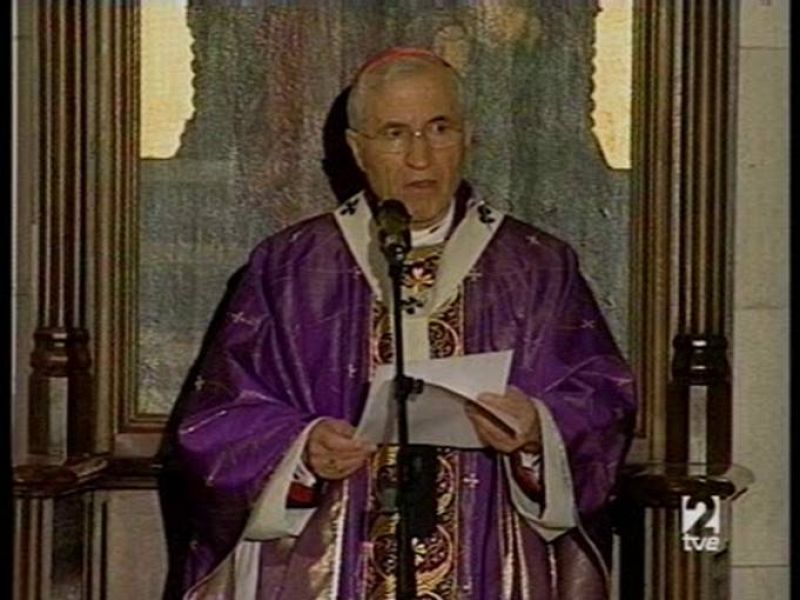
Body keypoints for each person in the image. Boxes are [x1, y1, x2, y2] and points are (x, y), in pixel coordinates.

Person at [169, 47, 636, 599]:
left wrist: (537, 429)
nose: (420, 157)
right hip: (331, 559)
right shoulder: (291, 266)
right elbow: (218, 418)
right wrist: (302, 447)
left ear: (468, 138)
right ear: (357, 150)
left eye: (439, 128)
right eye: (394, 133)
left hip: (490, 552)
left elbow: (603, 397)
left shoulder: (536, 265)